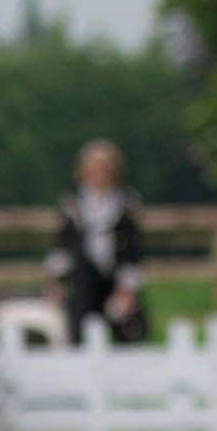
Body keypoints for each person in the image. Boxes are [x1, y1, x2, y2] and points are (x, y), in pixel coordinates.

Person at [45, 139, 148, 344]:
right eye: (95, 169)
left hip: (115, 277)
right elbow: (64, 246)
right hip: (83, 279)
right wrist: (56, 281)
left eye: (105, 169)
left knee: (127, 324)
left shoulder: (126, 204)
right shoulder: (73, 204)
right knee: (76, 323)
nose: (100, 174)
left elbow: (133, 250)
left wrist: (127, 289)